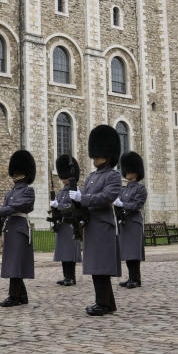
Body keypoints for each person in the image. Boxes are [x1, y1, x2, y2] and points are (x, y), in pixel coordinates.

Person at [73, 125, 122, 316]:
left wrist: (83, 199)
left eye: (98, 155)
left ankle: (105, 303)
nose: (94, 159)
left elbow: (106, 197)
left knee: (101, 266)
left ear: (107, 155)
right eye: (94, 155)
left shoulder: (113, 176)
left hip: (103, 225)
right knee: (95, 266)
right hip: (92, 225)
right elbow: (85, 197)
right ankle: (105, 302)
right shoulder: (91, 177)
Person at [0, 150, 36, 307]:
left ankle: (14, 296)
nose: (14, 174)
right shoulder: (10, 193)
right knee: (13, 263)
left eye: (17, 171)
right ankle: (22, 295)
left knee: (15, 263)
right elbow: (4, 210)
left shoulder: (28, 190)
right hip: (10, 228)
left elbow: (19, 206)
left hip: (20, 228)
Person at [116, 151, 148, 289]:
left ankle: (136, 279)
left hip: (134, 223)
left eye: (131, 171)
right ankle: (131, 278)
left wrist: (123, 205)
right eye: (127, 171)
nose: (128, 173)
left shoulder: (141, 189)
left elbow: (137, 205)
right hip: (124, 223)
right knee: (127, 253)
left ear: (137, 172)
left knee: (133, 252)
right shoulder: (123, 190)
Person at [51, 154, 82, 286]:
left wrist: (59, 206)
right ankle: (66, 276)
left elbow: (72, 207)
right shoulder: (60, 192)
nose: (63, 179)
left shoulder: (74, 190)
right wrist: (53, 216)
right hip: (62, 225)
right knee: (63, 253)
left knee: (69, 253)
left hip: (71, 225)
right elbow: (57, 208)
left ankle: (72, 277)